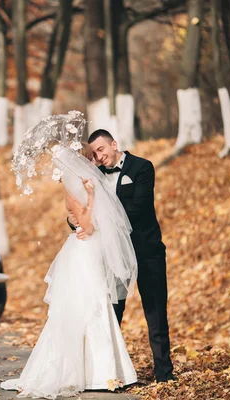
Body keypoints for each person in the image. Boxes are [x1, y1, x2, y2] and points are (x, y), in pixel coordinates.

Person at [1, 143, 139, 399]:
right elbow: (87, 224)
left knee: (97, 304)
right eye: (92, 158)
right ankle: (87, 373)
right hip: (82, 253)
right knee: (89, 304)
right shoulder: (74, 192)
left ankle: (104, 372)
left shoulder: (90, 185)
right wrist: (93, 198)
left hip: (93, 250)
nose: (96, 161)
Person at [70, 129, 174, 383]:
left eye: (102, 150)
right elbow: (83, 209)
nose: (99, 156)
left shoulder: (142, 167)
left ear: (114, 144)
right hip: (112, 255)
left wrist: (98, 220)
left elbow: (138, 207)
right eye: (94, 153)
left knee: (155, 312)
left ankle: (164, 373)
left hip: (146, 251)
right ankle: (111, 373)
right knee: (112, 313)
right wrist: (77, 224)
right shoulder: (94, 177)